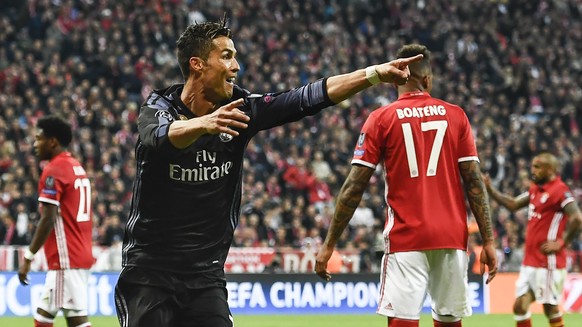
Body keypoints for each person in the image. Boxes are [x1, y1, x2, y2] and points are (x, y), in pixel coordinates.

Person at [113, 16, 423, 327]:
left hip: (204, 276)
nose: (236, 66)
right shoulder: (157, 108)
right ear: (197, 64)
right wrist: (204, 124)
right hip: (149, 273)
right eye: (226, 56)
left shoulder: (241, 109)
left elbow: (306, 98)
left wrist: (373, 74)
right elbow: (160, 136)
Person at [315, 44, 498, 327]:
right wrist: (488, 240)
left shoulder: (381, 118)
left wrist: (329, 244)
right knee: (449, 320)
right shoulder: (456, 115)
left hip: (406, 236)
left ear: (395, 79)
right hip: (451, 236)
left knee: (403, 320)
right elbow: (474, 181)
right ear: (427, 80)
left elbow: (354, 186)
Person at [483, 152, 582, 327]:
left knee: (550, 308)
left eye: (537, 167)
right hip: (530, 261)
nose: (533, 170)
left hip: (548, 261)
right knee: (520, 307)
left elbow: (577, 218)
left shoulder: (560, 191)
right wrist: (490, 189)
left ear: (550, 169)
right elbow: (513, 204)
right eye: (532, 166)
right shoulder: (536, 189)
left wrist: (562, 242)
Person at [18, 115, 94, 327]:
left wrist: (28, 256)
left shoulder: (54, 169)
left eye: (38, 138)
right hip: (78, 252)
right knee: (55, 317)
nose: (34, 144)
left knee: (69, 318)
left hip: (66, 258)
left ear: (52, 141)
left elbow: (48, 218)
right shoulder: (75, 166)